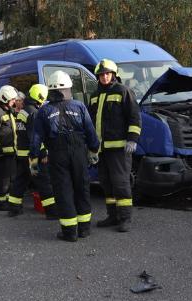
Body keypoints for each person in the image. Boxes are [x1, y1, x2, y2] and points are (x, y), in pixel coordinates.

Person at [31, 70, 100, 242]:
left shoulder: (44, 110)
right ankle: (84, 229)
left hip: (57, 154)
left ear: (50, 90)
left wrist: (33, 158)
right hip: (78, 152)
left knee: (64, 191)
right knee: (82, 188)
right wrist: (93, 150)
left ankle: (70, 233)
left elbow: (36, 138)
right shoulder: (79, 106)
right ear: (69, 87)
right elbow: (91, 132)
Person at [89, 58, 141, 233]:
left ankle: (125, 218)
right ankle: (112, 216)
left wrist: (132, 139)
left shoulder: (123, 91)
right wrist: (90, 146)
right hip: (102, 149)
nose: (104, 77)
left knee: (120, 183)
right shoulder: (94, 95)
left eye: (107, 74)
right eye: (101, 74)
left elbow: (134, 117)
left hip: (119, 148)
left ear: (114, 75)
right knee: (106, 183)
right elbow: (90, 122)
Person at [8, 83, 56, 218]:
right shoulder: (34, 113)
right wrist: (42, 153)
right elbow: (35, 137)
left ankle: (14, 207)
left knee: (20, 181)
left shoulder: (23, 111)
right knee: (44, 182)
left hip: (22, 155)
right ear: (40, 97)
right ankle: (52, 211)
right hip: (32, 157)